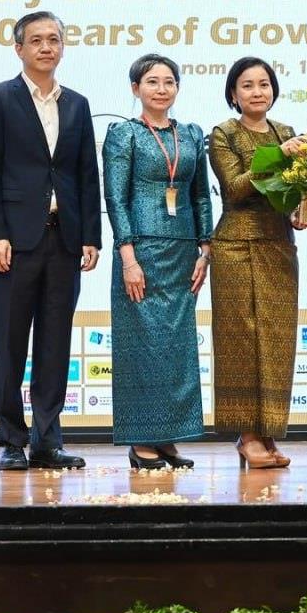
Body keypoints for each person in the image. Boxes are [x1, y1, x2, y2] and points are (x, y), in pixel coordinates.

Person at [0, 11, 101, 472]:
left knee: (55, 343)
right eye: (37, 40)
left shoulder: (77, 104)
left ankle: (47, 440)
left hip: (64, 239)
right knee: (10, 343)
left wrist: (90, 236)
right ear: (19, 48)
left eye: (54, 40)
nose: (46, 47)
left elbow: (86, 173)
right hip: (15, 241)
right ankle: (11, 439)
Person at [102, 54, 213, 470]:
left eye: (169, 81)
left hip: (184, 253)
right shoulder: (124, 134)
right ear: (136, 89)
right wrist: (127, 257)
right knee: (143, 347)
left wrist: (206, 249)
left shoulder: (191, 134)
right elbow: (116, 198)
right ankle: (141, 441)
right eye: (152, 82)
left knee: (177, 348)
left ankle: (168, 438)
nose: (161, 89)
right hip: (142, 252)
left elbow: (201, 196)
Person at [208, 57, 307, 470]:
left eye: (264, 84)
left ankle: (267, 432)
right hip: (235, 246)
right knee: (240, 342)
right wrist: (277, 156)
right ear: (233, 94)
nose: (257, 92)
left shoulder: (287, 131)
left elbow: (296, 189)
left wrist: (303, 209)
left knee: (277, 342)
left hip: (279, 246)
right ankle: (246, 436)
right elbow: (234, 188)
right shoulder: (224, 134)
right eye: (247, 85)